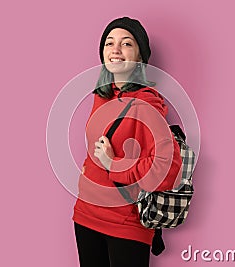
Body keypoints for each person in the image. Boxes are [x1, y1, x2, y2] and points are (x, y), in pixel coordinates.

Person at [72, 17, 182, 267]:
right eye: (109, 43)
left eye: (126, 43)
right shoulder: (102, 95)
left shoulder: (146, 103)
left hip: (125, 224)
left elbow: (168, 169)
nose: (116, 49)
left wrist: (114, 163)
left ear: (140, 56)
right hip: (85, 215)